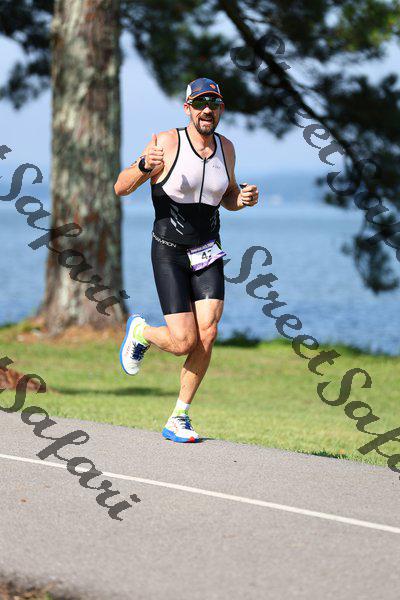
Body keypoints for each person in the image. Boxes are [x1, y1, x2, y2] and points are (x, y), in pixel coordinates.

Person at [114, 77, 259, 443]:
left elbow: (227, 195)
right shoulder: (166, 142)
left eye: (214, 104)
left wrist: (242, 199)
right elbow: (121, 186)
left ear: (221, 109)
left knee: (207, 334)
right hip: (169, 251)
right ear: (187, 108)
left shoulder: (227, 148)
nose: (207, 110)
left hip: (208, 251)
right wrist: (144, 165)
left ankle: (179, 416)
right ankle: (142, 332)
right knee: (183, 342)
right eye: (200, 103)